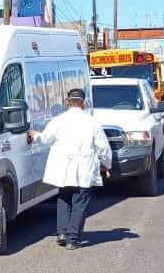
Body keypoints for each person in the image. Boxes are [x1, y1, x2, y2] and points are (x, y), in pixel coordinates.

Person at [28, 88, 112, 250]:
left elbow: (45, 139)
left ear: (67, 102)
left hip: (63, 170)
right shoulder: (92, 122)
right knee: (79, 203)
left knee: (63, 199)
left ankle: (61, 232)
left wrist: (36, 135)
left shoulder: (58, 121)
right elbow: (103, 148)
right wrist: (107, 164)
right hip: (84, 169)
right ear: (84, 103)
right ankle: (72, 239)